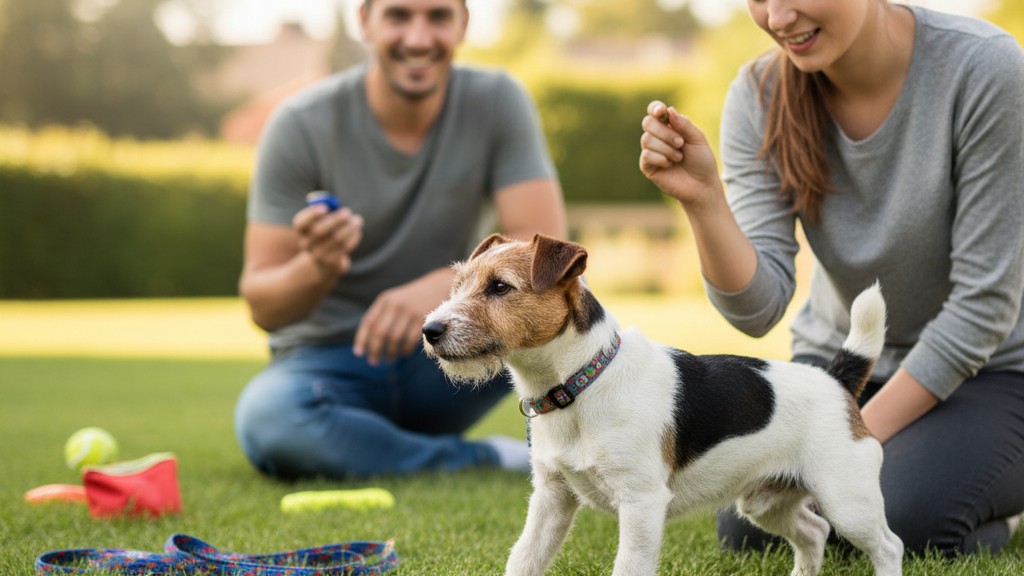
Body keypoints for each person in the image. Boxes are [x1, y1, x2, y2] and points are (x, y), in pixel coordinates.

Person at [639, 0, 1024, 557]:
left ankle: (994, 503)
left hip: (993, 375)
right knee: (753, 527)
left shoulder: (986, 69)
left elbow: (982, 310)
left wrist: (836, 440)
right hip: (841, 366)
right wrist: (704, 202)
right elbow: (758, 309)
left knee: (908, 515)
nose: (776, 17)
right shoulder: (758, 95)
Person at [234, 0, 567, 480]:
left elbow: (544, 251)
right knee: (271, 420)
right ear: (365, 21)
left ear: (463, 24)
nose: (418, 38)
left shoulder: (497, 100)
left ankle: (582, 458)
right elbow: (263, 306)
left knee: (563, 319)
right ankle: (483, 458)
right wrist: (317, 267)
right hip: (328, 367)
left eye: (437, 16)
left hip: (449, 352)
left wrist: (438, 292)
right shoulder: (299, 123)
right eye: (398, 16)